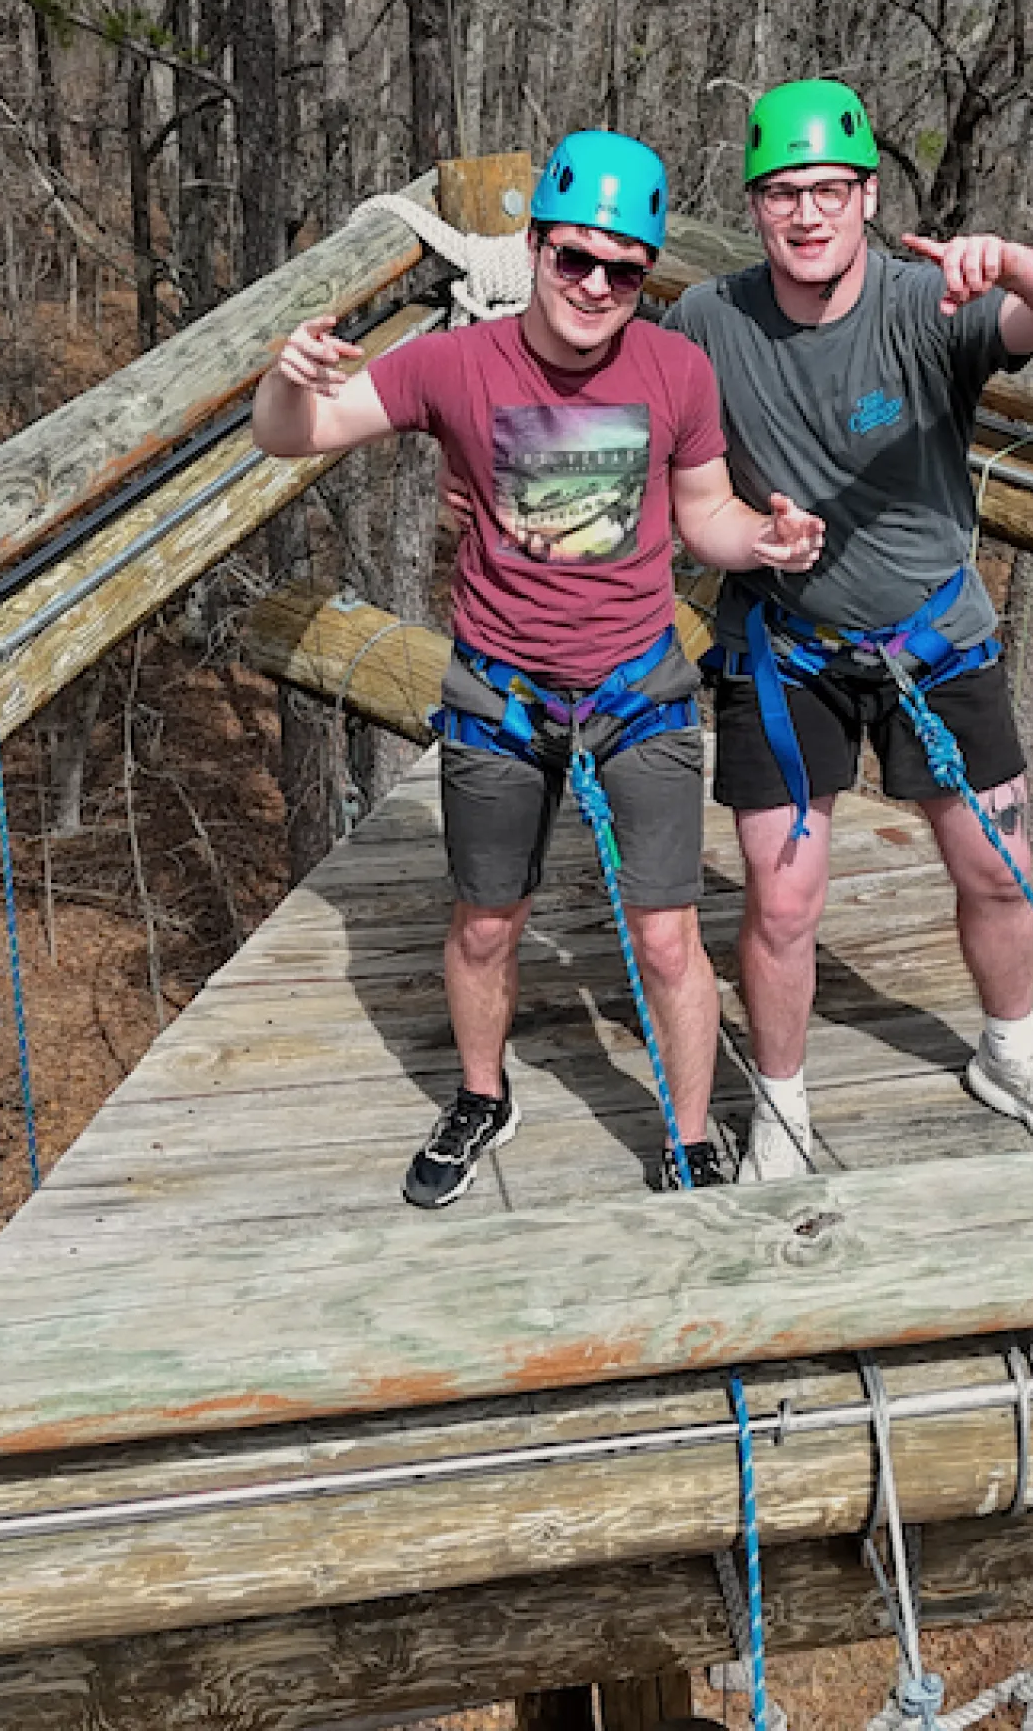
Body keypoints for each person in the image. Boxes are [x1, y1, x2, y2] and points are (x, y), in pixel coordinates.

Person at [252, 130, 825, 1206]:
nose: (597, 285)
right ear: (535, 246)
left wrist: (768, 542)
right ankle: (481, 1093)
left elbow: (706, 517)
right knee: (484, 920)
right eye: (575, 258)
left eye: (624, 269)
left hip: (637, 690)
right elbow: (295, 436)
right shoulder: (451, 366)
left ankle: (690, 1135)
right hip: (499, 694)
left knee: (665, 936)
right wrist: (287, 383)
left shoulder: (677, 371)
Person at [661, 79, 1033, 1182]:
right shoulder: (706, 324)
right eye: (783, 194)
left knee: (999, 870)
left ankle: (1009, 1052)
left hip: (935, 639)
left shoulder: (928, 306)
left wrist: (1007, 262)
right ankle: (780, 1101)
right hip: (791, 650)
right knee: (781, 899)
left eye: (830, 190)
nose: (808, 214)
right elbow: (664, 460)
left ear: (868, 196)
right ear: (756, 206)